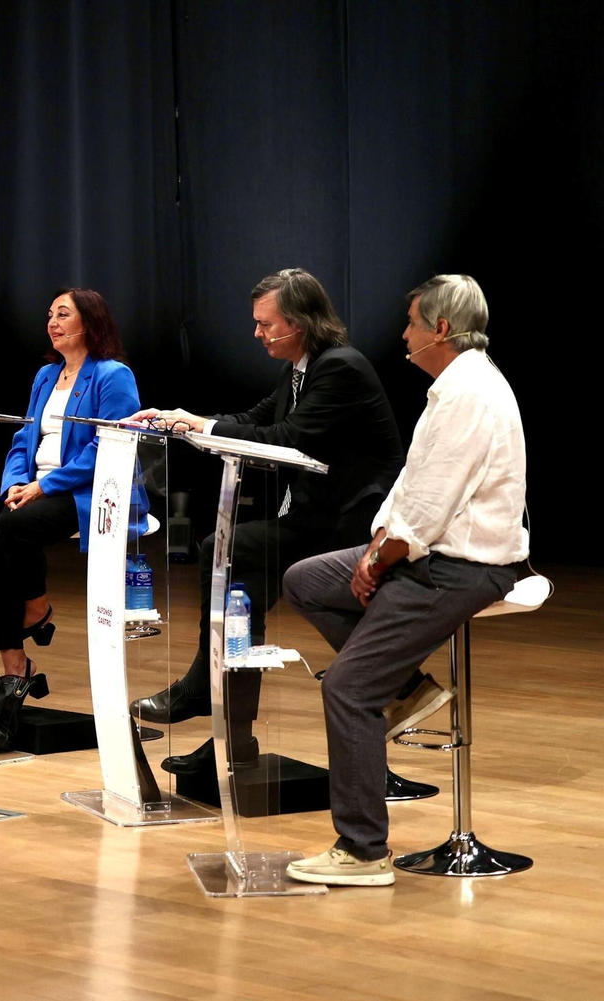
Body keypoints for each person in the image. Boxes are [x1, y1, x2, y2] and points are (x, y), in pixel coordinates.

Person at [282, 275, 526, 887]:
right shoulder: (450, 388)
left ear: (440, 329)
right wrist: (373, 550)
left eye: (413, 323)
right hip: (424, 555)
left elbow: (432, 507)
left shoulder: (470, 392)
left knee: (347, 688)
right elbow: (409, 489)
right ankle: (408, 692)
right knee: (307, 579)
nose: (404, 335)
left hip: (462, 567)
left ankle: (363, 850)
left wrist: (383, 559)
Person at [127, 268, 403, 775]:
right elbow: (256, 419)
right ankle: (230, 740)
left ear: (299, 323)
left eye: (265, 323)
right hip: (311, 518)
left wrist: (205, 426)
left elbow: (288, 437)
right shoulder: (300, 367)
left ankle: (206, 700)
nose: (257, 334)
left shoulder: (340, 367)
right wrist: (186, 419)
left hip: (350, 526)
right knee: (239, 581)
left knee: (224, 550)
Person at [0, 288, 144, 679]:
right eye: (50, 315)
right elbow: (24, 439)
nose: (52, 323)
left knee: (8, 532)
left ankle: (33, 618)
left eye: (63, 315)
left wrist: (45, 487)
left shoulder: (112, 375)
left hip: (90, 492)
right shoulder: (46, 375)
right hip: (37, 486)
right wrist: (14, 483)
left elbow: (109, 447)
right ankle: (16, 665)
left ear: (90, 323)